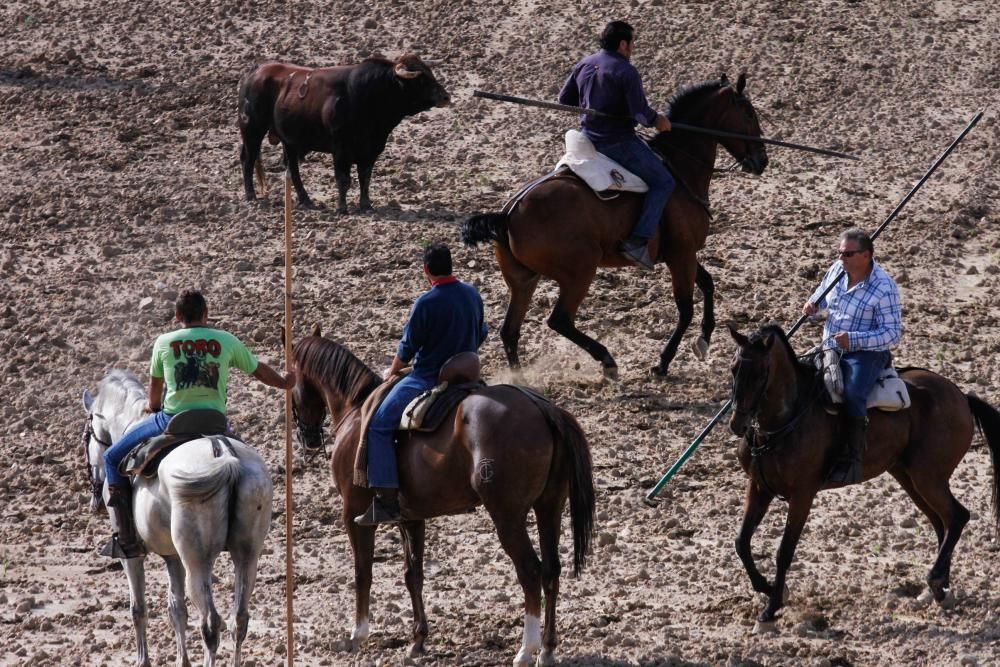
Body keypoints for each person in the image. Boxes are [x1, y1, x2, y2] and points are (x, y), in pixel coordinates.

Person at [101, 289, 295, 558]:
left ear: (178, 315)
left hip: (171, 421)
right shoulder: (225, 340)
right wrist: (285, 382)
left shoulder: (164, 342)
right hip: (215, 423)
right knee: (247, 465)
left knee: (111, 458)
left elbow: (155, 392)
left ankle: (126, 539)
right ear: (206, 313)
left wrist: (152, 406)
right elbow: (258, 369)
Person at [357, 243, 488, 526]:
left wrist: (392, 372)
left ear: (427, 271)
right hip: (468, 373)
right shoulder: (472, 293)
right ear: (451, 266)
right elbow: (482, 333)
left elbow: (407, 348)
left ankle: (388, 501)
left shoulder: (426, 302)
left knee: (378, 424)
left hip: (427, 376)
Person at [558, 19, 674, 270]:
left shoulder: (585, 63)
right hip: (616, 141)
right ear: (623, 44)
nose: (632, 48)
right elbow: (640, 114)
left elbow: (564, 99)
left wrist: (592, 105)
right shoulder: (625, 71)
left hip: (587, 137)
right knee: (664, 182)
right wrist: (659, 121)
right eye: (632, 44)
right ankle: (638, 240)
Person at [803, 229, 902, 484]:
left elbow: (892, 334)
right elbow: (821, 298)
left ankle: (852, 459)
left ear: (866, 255)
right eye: (840, 252)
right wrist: (812, 306)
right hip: (829, 345)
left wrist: (854, 339)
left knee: (853, 393)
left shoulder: (883, 286)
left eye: (848, 253)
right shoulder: (837, 270)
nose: (841, 257)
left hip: (866, 354)